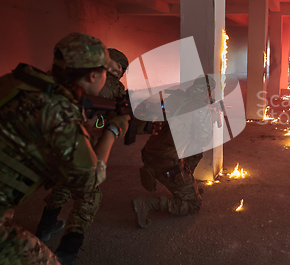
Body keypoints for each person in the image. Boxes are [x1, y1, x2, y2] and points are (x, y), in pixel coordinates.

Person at [0, 33, 130, 264]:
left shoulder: (19, 81)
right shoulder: (61, 112)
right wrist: (113, 129)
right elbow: (90, 178)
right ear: (93, 75)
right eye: (105, 73)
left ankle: (48, 223)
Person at [35, 48, 129, 264]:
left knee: (62, 184)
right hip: (80, 145)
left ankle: (45, 227)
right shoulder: (114, 87)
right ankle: (68, 250)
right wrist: (118, 125)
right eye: (120, 68)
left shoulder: (76, 78)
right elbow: (118, 116)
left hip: (59, 143)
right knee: (89, 196)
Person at [133, 75, 216, 228]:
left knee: (196, 152)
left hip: (150, 153)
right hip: (165, 162)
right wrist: (209, 119)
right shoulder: (200, 107)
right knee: (194, 204)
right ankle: (149, 204)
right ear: (208, 91)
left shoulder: (177, 96)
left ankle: (187, 185)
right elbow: (204, 139)